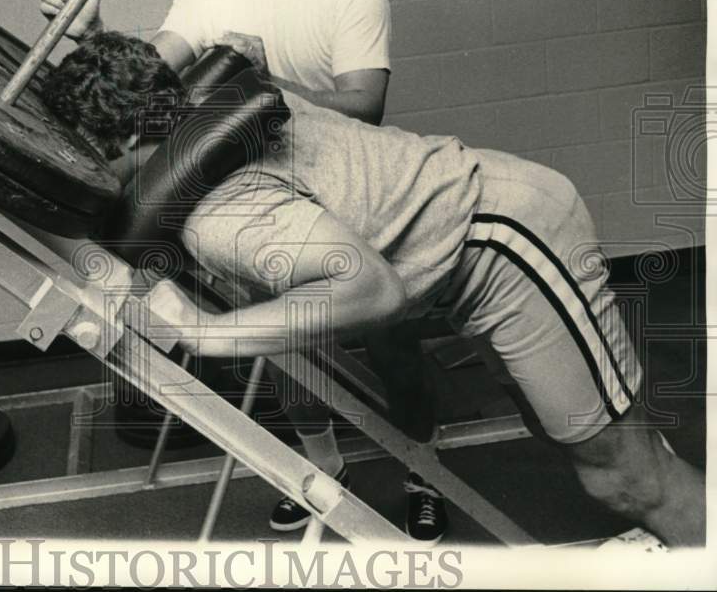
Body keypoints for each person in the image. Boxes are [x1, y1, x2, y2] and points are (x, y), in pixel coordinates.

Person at [41, 31, 706, 548]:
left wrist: (200, 329)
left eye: (86, 152)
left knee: (620, 470)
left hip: (512, 243)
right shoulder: (212, 107)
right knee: (577, 432)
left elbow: (372, 291)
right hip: (474, 246)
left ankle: (684, 523)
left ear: (128, 138)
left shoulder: (222, 216)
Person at [40, 0, 447, 541]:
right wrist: (95, 33)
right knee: (285, 347)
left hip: (350, 181)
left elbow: (367, 105)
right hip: (256, 199)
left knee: (391, 339)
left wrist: (260, 80)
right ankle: (324, 468)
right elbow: (147, 78)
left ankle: (426, 471)